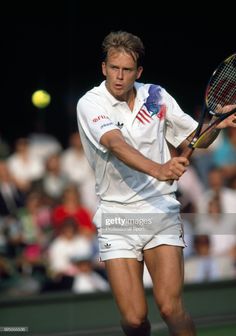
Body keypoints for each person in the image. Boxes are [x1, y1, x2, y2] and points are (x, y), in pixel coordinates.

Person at [76, 31, 236, 336]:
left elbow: (196, 139)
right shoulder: (91, 103)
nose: (119, 77)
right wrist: (159, 169)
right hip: (117, 215)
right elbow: (114, 144)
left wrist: (216, 124)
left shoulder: (156, 96)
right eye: (113, 68)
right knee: (135, 319)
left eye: (126, 70)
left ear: (139, 72)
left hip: (160, 209)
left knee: (170, 308)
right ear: (103, 68)